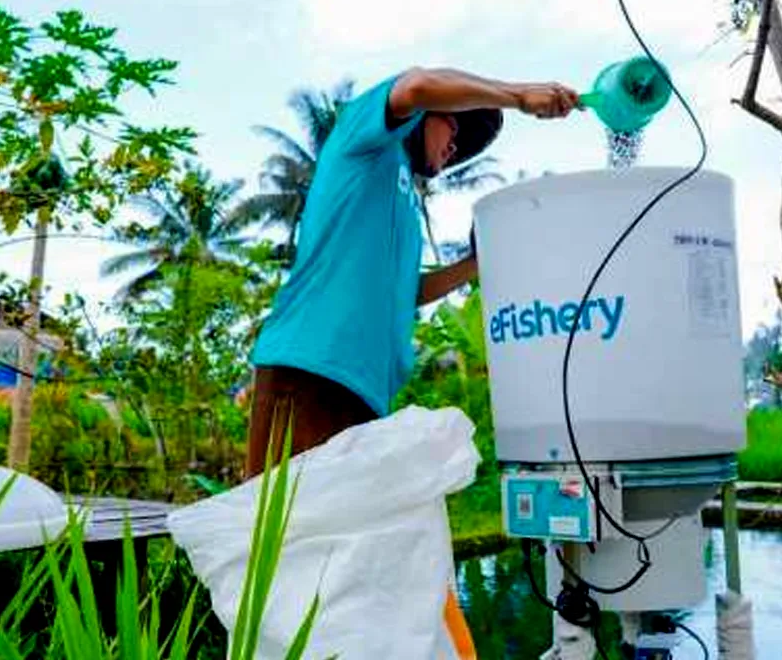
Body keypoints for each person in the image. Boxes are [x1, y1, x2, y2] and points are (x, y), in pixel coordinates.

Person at [244, 67, 582, 478]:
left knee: (344, 535)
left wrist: (478, 263)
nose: (455, 145)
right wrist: (519, 95)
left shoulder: (404, 207)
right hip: (311, 371)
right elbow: (417, 86)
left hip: (365, 390)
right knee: (291, 534)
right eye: (453, 124)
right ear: (422, 115)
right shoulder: (363, 144)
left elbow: (407, 292)